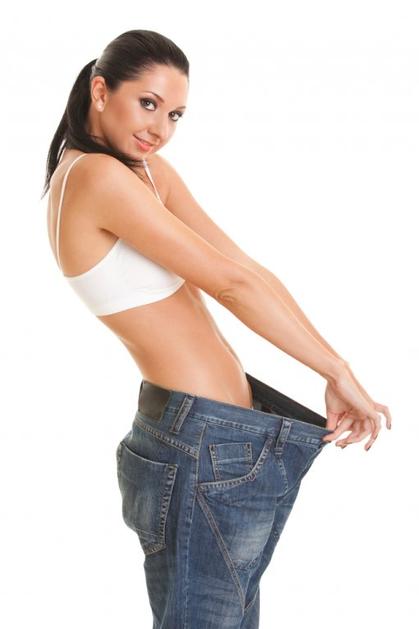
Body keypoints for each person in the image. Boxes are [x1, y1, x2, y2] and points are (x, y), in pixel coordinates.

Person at [42, 29, 392, 629]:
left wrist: (337, 368)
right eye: (148, 103)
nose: (160, 127)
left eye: (175, 114)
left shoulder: (145, 173)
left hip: (216, 438)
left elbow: (246, 270)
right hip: (199, 446)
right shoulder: (96, 179)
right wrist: (336, 372)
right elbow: (230, 287)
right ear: (100, 91)